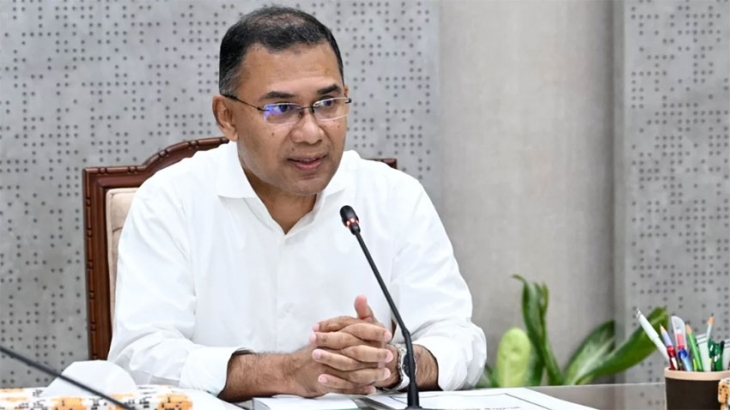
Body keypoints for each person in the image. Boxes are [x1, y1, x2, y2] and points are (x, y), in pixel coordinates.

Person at [107, 5, 486, 403]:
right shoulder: (171, 201)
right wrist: (288, 372)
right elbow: (141, 357)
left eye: (328, 103)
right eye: (281, 109)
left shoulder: (394, 198)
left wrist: (390, 364)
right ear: (227, 117)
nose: (310, 132)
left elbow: (460, 340)